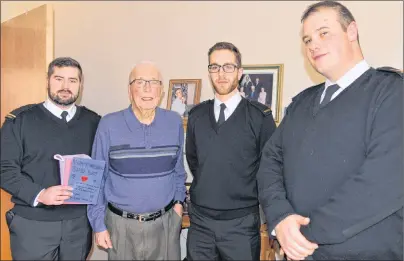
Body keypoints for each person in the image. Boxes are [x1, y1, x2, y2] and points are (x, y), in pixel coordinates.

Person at [257, 1, 403, 260]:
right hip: (300, 251)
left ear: (352, 31)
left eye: (323, 33)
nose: (313, 44)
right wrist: (280, 217)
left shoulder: (391, 92)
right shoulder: (301, 103)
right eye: (307, 39)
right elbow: (270, 162)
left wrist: (306, 234)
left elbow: (384, 181)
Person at [0, 57, 100, 260]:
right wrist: (40, 194)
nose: (65, 86)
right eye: (59, 78)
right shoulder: (20, 120)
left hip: (79, 226)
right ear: (47, 80)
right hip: (33, 224)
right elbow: (4, 169)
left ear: (80, 84)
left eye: (73, 80)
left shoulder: (94, 122)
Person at [186, 42, 276, 260]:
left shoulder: (260, 117)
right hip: (200, 225)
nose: (221, 74)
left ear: (239, 71)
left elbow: (271, 170)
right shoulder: (197, 115)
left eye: (228, 67)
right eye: (214, 67)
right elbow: (195, 161)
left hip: (241, 225)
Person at [87, 61, 186, 260]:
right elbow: (94, 178)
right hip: (121, 226)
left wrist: (178, 204)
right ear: (129, 89)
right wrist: (98, 224)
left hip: (165, 223)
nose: (147, 88)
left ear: (162, 90)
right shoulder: (108, 124)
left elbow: (178, 170)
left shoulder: (174, 121)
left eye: (154, 82)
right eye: (140, 82)